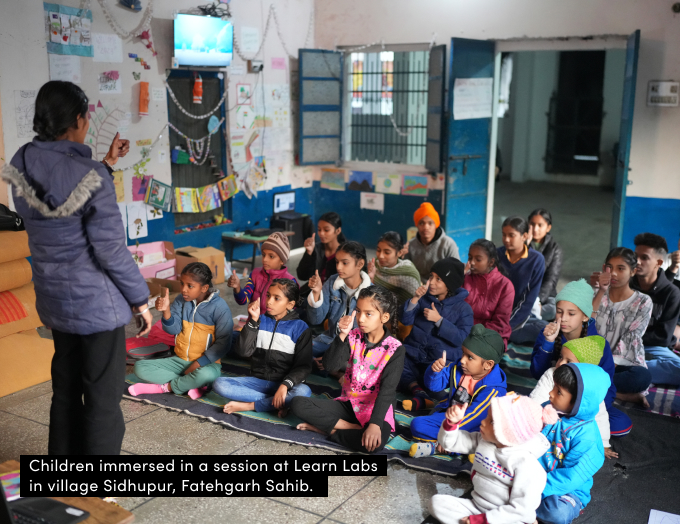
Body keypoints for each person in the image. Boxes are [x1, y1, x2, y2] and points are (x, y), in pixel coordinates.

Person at [0, 80, 152, 455]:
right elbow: (111, 251)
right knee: (102, 398)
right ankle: (97, 495)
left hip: (55, 300)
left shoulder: (20, 163)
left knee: (65, 391)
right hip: (97, 306)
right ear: (80, 120)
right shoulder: (90, 177)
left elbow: (58, 196)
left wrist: (105, 165)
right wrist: (141, 299)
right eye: (86, 117)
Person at [290, 286, 404, 453]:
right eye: (358, 311)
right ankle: (350, 428)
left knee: (374, 445)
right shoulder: (353, 336)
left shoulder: (395, 349)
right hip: (349, 404)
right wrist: (342, 334)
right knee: (297, 403)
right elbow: (330, 366)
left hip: (375, 410)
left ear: (384, 317)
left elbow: (387, 391)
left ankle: (330, 430)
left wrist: (374, 424)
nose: (361, 319)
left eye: (368, 314)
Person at [428, 393, 555, 524]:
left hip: (508, 518)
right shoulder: (483, 440)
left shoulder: (529, 468)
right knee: (437, 503)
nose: (482, 422)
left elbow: (520, 510)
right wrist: (452, 424)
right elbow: (450, 443)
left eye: (491, 421)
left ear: (509, 432)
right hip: (477, 506)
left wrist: (482, 521)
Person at [530, 279, 629, 445]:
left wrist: (585, 411)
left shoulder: (597, 344)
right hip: (555, 398)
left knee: (621, 426)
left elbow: (605, 384)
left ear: (584, 316)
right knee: (531, 413)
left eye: (571, 313)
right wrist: (548, 343)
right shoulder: (548, 333)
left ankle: (568, 428)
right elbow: (537, 373)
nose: (564, 318)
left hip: (586, 403)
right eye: (559, 312)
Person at [129, 262, 233, 399]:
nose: (184, 289)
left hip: (207, 364)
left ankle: (167, 387)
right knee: (140, 367)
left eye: (190, 286)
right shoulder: (180, 300)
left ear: (204, 288)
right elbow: (173, 329)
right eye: (182, 283)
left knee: (206, 375)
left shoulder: (220, 308)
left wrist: (197, 364)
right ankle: (192, 384)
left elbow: (223, 343)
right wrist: (166, 311)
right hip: (180, 360)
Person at [213, 279, 312, 416]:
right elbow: (243, 352)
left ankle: (250, 405)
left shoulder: (301, 328)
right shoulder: (260, 320)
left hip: (285, 384)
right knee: (219, 384)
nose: (269, 301)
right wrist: (253, 321)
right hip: (258, 381)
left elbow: (304, 366)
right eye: (268, 296)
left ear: (290, 304)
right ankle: (277, 404)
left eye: (276, 298)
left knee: (303, 392)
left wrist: (284, 386)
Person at [409, 324, 507, 458]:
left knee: (487, 437)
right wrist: (435, 372)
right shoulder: (458, 367)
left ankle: (444, 446)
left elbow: (474, 417)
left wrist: (449, 435)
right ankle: (463, 448)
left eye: (470, 357)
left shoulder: (494, 390)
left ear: (488, 365)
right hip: (451, 418)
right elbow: (434, 386)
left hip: (476, 425)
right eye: (463, 353)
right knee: (417, 425)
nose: (462, 360)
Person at [536, 363, 609, 524]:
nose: (550, 394)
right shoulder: (548, 408)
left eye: (559, 392)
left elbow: (570, 478)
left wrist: (530, 489)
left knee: (558, 513)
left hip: (566, 490)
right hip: (531, 475)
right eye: (554, 387)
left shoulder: (587, 438)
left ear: (577, 401)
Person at [399, 258, 474, 411]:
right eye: (431, 276)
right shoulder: (424, 299)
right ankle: (419, 393)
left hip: (437, 362)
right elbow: (405, 320)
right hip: (413, 356)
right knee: (393, 361)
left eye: (438, 279)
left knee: (436, 382)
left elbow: (461, 338)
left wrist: (439, 321)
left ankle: (423, 392)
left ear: (450, 285)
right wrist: (415, 299)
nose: (431, 282)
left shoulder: (463, 309)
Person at [531, 336, 617, 458]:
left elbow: (600, 415)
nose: (560, 363)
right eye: (560, 357)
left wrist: (603, 444)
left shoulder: (590, 388)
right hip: (549, 421)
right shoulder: (551, 373)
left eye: (569, 361)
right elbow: (536, 401)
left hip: (575, 429)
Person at [591, 248, 653, 407]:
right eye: (610, 267)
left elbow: (632, 336)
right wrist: (600, 292)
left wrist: (608, 365)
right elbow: (586, 324)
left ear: (633, 271)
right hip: (592, 359)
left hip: (621, 364)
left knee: (641, 377)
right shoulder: (597, 293)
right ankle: (620, 394)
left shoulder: (643, 302)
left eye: (621, 268)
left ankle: (588, 385)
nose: (614, 274)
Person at [306, 241, 372, 367]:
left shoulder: (370, 294)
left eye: (345, 263)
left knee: (361, 364)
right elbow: (315, 320)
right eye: (337, 262)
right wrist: (316, 293)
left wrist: (333, 356)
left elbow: (367, 338)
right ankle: (329, 367)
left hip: (352, 349)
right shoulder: (332, 282)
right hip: (328, 340)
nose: (339, 267)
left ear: (360, 264)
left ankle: (331, 366)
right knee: (299, 350)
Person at [631, 233, 680, 386]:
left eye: (644, 258)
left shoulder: (671, 292)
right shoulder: (625, 284)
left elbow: (663, 337)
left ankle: (624, 369)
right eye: (635, 256)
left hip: (653, 346)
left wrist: (631, 338)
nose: (637, 262)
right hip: (623, 344)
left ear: (658, 262)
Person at [497, 216, 546, 345]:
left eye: (511, 235)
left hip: (520, 317)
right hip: (496, 316)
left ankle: (504, 335)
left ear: (524, 236)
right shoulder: (496, 255)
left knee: (546, 329)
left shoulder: (536, 260)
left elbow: (527, 301)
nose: (506, 239)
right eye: (504, 235)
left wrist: (506, 327)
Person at [227, 231, 297, 315]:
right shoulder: (255, 274)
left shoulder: (290, 281)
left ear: (282, 260)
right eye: (264, 255)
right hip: (254, 325)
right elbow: (243, 300)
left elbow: (292, 311)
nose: (265, 259)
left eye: (271, 256)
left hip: (277, 327)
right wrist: (237, 288)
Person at [463, 239, 515, 348]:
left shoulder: (505, 286)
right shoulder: (464, 279)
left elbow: (499, 324)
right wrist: (458, 277)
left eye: (478, 259)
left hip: (490, 336)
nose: (471, 263)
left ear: (491, 262)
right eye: (470, 258)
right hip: (462, 332)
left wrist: (471, 333)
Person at [405, 202, 460, 281]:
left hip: (442, 287)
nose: (426, 227)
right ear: (417, 225)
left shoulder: (448, 244)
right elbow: (406, 272)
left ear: (436, 225)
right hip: (417, 287)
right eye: (421, 223)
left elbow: (455, 272)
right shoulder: (410, 245)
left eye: (430, 223)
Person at [366, 231, 421, 308]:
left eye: (387, 252)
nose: (381, 256)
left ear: (400, 252)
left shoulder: (409, 274)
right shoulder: (374, 265)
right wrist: (370, 278)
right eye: (378, 250)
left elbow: (413, 306)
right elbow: (367, 296)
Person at [528, 208, 563, 321]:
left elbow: (550, 280)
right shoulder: (520, 245)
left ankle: (527, 314)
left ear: (548, 227)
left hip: (545, 296)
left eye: (540, 225)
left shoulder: (555, 249)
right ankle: (531, 314)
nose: (535, 229)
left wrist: (536, 300)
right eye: (532, 224)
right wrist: (524, 245)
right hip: (523, 293)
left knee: (553, 309)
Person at [297, 211, 346, 283]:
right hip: (315, 291)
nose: (321, 233)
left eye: (326, 230)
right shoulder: (316, 249)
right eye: (319, 229)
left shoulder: (347, 252)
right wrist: (308, 253)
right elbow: (302, 276)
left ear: (338, 231)